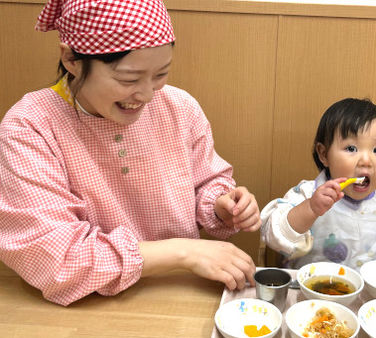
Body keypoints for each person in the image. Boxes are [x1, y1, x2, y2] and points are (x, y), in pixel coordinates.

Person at [0, 0, 261, 306]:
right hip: (85, 306)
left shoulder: (179, 107)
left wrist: (220, 204)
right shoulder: (30, 126)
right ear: (71, 59)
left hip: (179, 291)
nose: (148, 95)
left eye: (161, 74)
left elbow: (206, 181)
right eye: (129, 79)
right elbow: (54, 257)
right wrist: (183, 252)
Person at [260, 98, 376, 277]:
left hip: (372, 300)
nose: (366, 161)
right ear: (324, 154)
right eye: (351, 148)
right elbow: (273, 233)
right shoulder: (308, 193)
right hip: (313, 296)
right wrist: (310, 209)